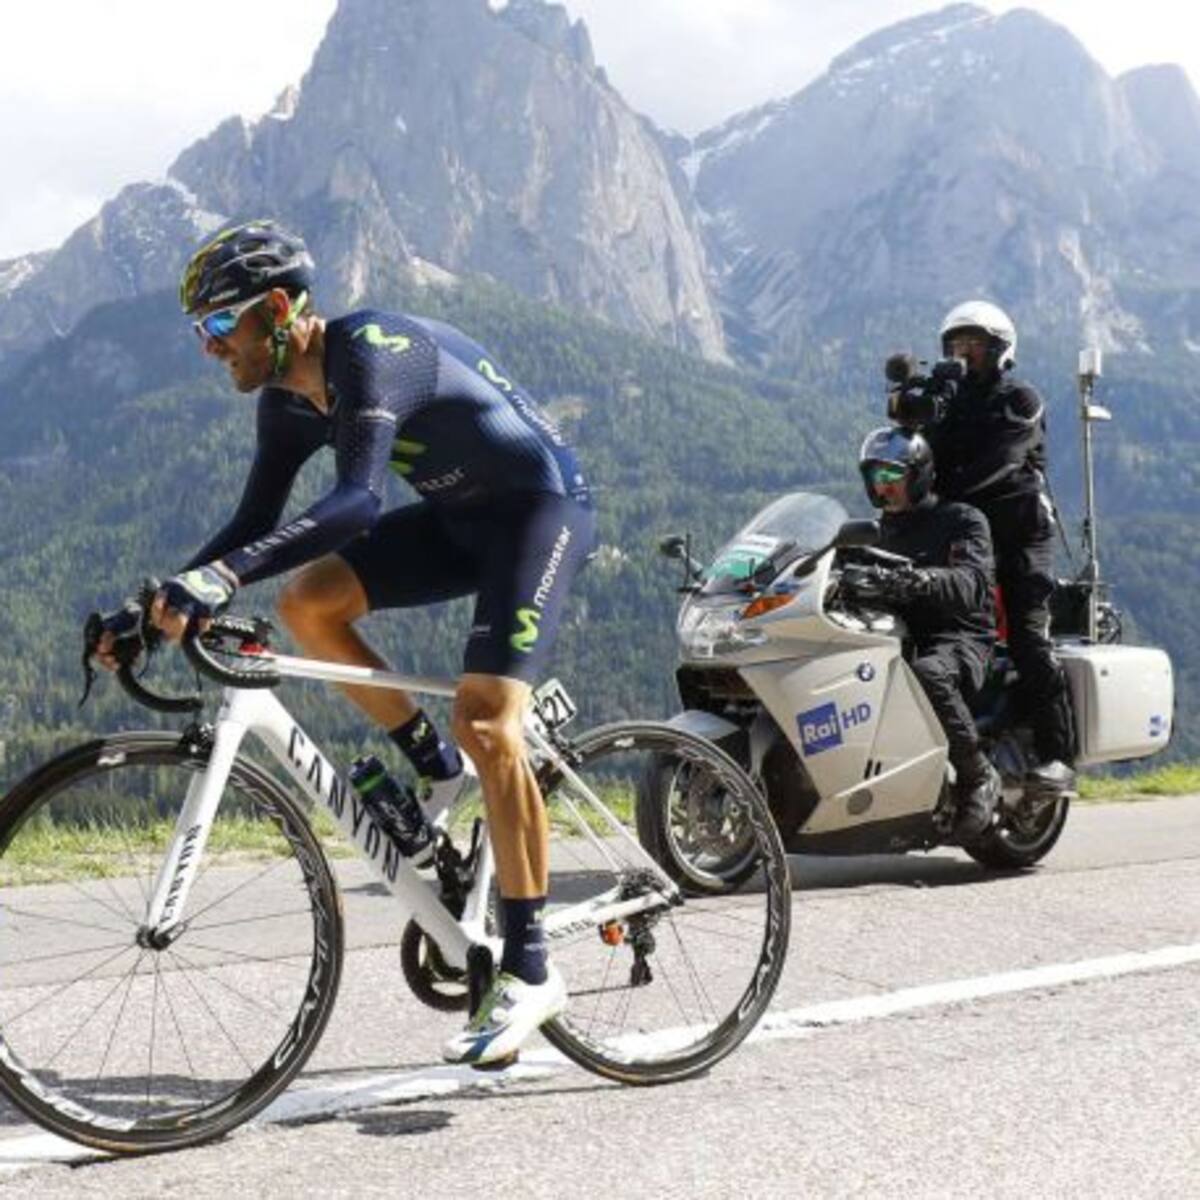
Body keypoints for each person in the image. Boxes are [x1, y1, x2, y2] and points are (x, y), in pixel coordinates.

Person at [94, 219, 596, 1066]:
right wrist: (150, 609)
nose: (210, 347)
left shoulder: (371, 352)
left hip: (539, 514)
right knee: (310, 602)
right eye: (199, 330)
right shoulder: (288, 404)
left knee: (488, 721)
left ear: (279, 309)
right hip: (457, 521)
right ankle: (435, 768)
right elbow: (253, 522)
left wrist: (221, 581)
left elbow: (359, 502)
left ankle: (532, 969)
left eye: (220, 323)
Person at [923, 300, 1075, 796]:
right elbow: (920, 457)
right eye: (955, 345)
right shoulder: (949, 401)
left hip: (1018, 536)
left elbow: (999, 463)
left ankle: (1058, 756)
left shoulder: (1020, 399)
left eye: (974, 345)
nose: (964, 354)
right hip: (965, 536)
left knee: (1029, 638)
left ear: (1000, 350)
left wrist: (939, 495)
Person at [849, 426, 1001, 841]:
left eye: (891, 475)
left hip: (960, 639)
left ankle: (978, 776)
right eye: (875, 477)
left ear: (917, 476)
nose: (882, 486)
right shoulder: (874, 534)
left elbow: (972, 583)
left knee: (928, 673)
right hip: (896, 639)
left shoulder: (962, 521)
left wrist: (924, 580)